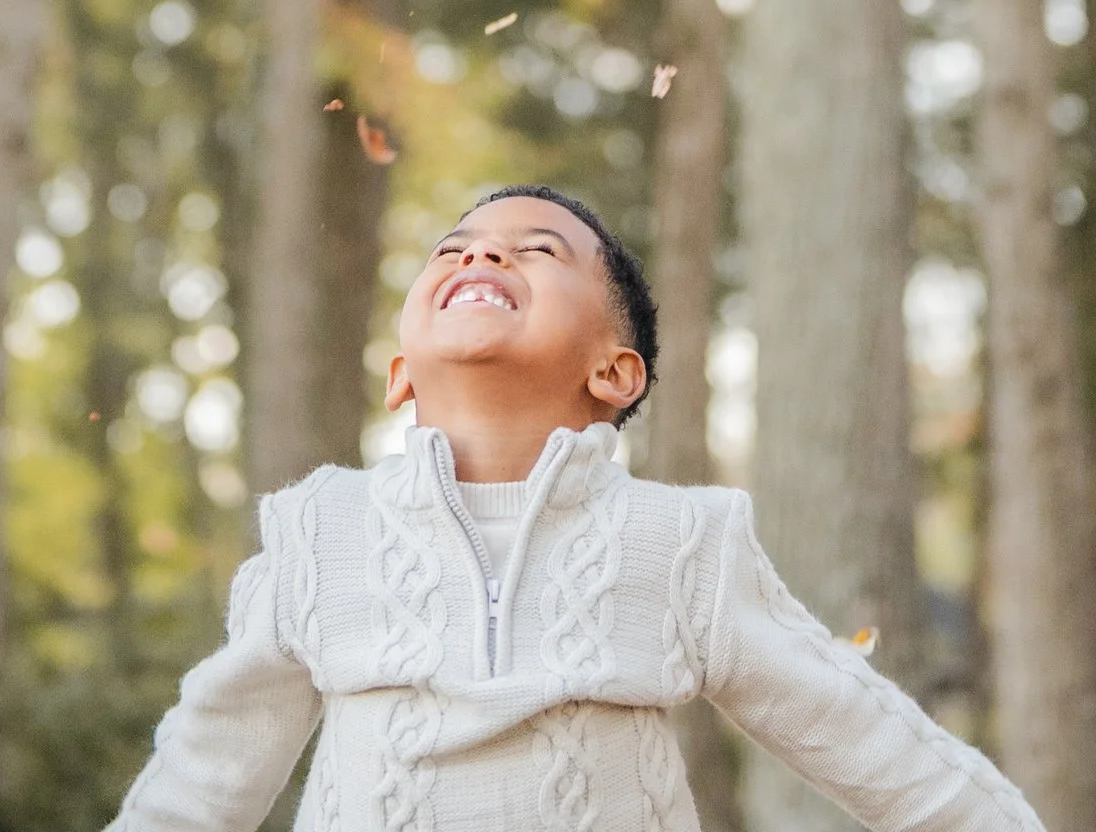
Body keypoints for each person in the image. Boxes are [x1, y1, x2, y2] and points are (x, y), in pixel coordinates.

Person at [106, 184, 1046, 832]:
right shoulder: (321, 530)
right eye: (455, 249)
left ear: (614, 371)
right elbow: (203, 778)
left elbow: (874, 744)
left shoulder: (680, 544)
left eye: (536, 250)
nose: (481, 251)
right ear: (401, 375)